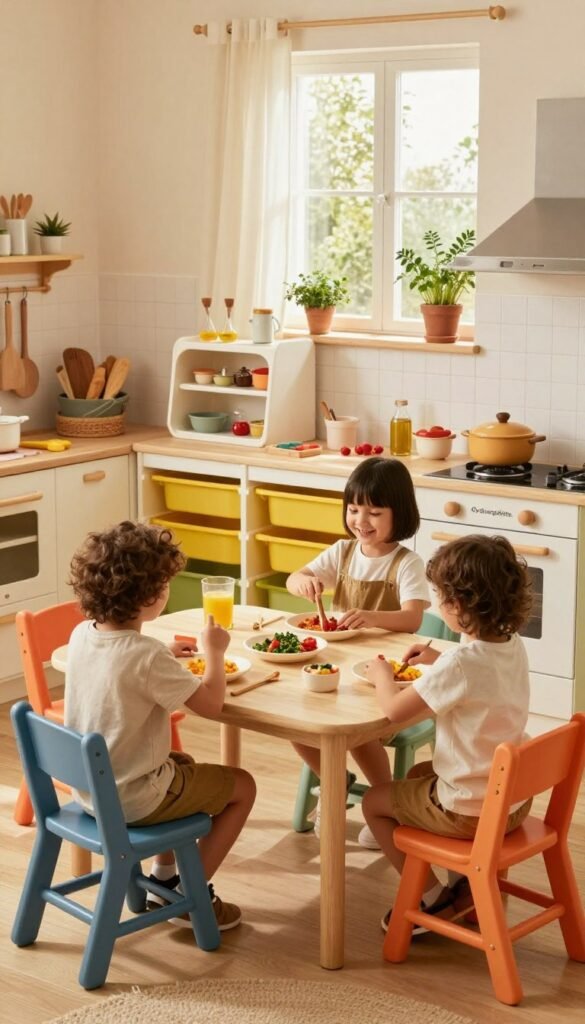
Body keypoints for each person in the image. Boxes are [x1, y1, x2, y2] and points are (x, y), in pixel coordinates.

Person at [64, 520, 256, 931]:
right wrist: (214, 652)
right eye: (165, 583)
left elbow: (122, 665)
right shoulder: (147, 657)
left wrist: (164, 652)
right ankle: (192, 893)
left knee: (181, 761)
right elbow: (211, 705)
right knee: (243, 787)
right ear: (150, 596)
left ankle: (164, 879)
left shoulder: (82, 635)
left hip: (91, 790)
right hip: (132, 800)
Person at [363, 534, 533, 934]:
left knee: (374, 802)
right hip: (513, 800)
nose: (439, 604)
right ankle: (465, 886)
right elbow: (478, 677)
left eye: (440, 597)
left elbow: (393, 711)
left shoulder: (460, 664)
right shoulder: (511, 645)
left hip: (470, 812)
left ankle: (431, 898)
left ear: (458, 605)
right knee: (418, 774)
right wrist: (439, 660)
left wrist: (381, 675)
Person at [286, 457, 430, 845]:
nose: (361, 521)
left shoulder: (407, 563)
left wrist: (371, 617)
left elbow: (413, 618)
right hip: (337, 669)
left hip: (383, 678)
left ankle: (386, 804)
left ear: (400, 514)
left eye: (374, 512)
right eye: (353, 509)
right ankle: (335, 782)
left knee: (361, 734)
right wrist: (302, 583)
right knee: (296, 721)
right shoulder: (343, 552)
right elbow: (295, 577)